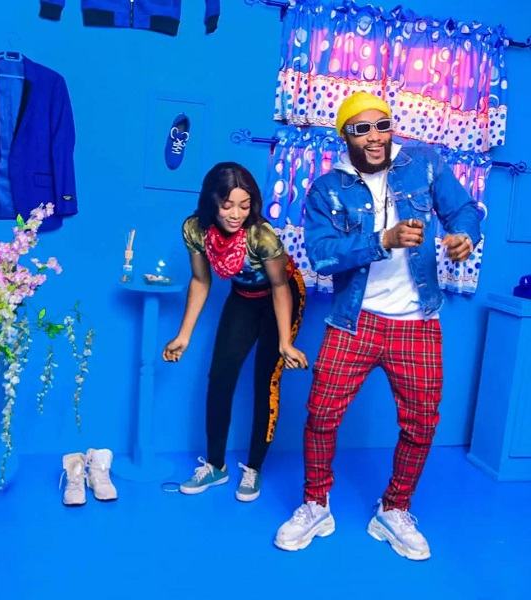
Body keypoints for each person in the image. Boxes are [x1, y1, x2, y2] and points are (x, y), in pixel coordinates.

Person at [274, 92, 481, 559]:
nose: (374, 137)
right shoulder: (327, 189)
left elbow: (464, 210)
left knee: (422, 424)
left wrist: (465, 236)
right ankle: (316, 503)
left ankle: (395, 509)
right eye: (361, 129)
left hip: (417, 322)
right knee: (321, 415)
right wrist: (381, 240)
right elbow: (321, 256)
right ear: (344, 136)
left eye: (382, 125)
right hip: (354, 321)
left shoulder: (423, 164)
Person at [163, 161, 308, 502]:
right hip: (243, 297)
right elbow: (201, 280)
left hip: (281, 297)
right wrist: (183, 336)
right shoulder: (196, 229)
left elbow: (279, 286)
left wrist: (285, 342)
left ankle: (254, 468)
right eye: (227, 205)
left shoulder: (261, 235)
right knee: (220, 377)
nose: (236, 214)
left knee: (265, 381)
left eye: (244, 206)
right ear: (212, 201)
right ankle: (215, 466)